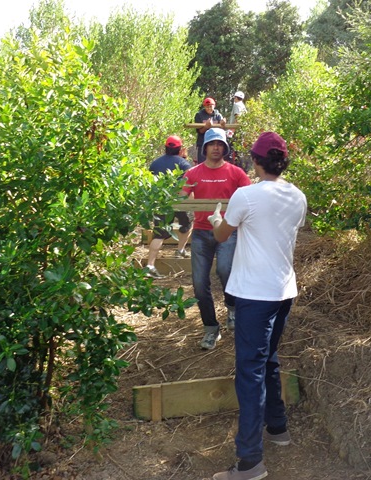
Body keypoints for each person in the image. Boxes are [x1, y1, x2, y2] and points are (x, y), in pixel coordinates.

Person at [207, 132, 307, 480]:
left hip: (254, 295)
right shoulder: (297, 196)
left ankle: (250, 461)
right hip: (284, 291)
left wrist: (216, 218)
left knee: (249, 373)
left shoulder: (245, 195)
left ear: (255, 161)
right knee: (269, 359)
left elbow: (222, 235)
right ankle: (278, 428)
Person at [182, 128, 251, 349]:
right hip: (201, 233)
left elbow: (251, 198)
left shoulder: (236, 173)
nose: (216, 148)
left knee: (225, 269)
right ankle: (211, 329)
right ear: (205, 148)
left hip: (227, 231)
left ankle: (232, 307)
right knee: (199, 284)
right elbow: (179, 196)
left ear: (225, 148)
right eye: (212, 144)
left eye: (220, 144)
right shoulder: (193, 173)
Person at [146, 135, 193, 278]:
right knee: (187, 224)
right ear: (180, 149)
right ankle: (180, 250)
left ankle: (150, 265)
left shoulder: (155, 164)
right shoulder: (184, 165)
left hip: (161, 202)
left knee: (159, 233)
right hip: (180, 201)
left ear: (165, 148)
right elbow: (188, 186)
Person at [194, 97, 226, 164]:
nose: (209, 108)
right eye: (207, 107)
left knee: (216, 163)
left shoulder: (218, 115)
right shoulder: (199, 115)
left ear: (214, 106)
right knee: (202, 164)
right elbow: (200, 131)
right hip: (203, 143)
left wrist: (223, 124)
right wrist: (206, 127)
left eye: (210, 106)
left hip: (215, 144)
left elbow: (222, 129)